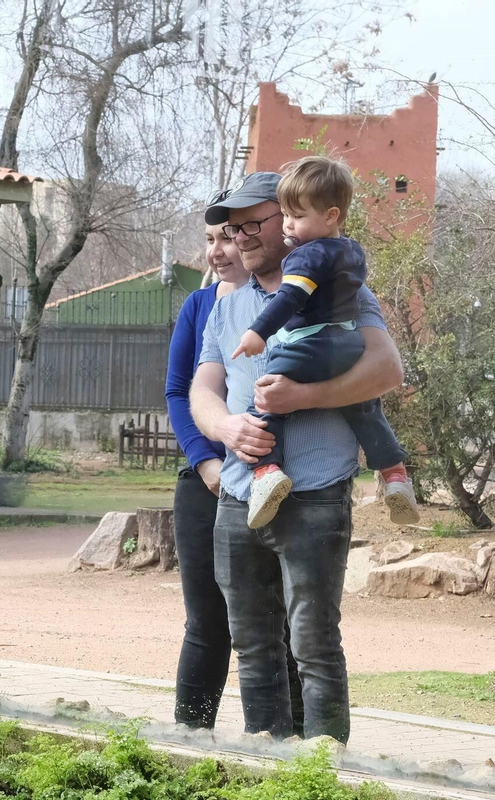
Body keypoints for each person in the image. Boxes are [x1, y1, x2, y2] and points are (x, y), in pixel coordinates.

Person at [190, 171, 406, 743]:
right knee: (253, 647)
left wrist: (302, 397)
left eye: (251, 225)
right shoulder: (228, 307)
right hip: (239, 495)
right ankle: (268, 767)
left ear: (288, 222)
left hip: (314, 495)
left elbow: (387, 370)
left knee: (314, 645)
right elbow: (202, 389)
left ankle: (324, 777)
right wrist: (227, 428)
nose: (240, 238)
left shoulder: (341, 292)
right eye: (232, 229)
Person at [229, 156, 418, 530]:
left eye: (296, 216)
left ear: (331, 216)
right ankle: (395, 474)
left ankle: (266, 472)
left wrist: (258, 332)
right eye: (285, 215)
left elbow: (289, 298)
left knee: (265, 398)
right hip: (347, 344)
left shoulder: (307, 255)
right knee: (363, 405)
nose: (288, 224)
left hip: (308, 345)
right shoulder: (351, 250)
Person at [165, 219, 301, 729]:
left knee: (282, 628)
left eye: (227, 236)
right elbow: (180, 390)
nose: (219, 250)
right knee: (207, 625)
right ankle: (191, 738)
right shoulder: (201, 305)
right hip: (209, 483)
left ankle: (292, 748)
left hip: (274, 485)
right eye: (210, 240)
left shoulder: (298, 299)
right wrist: (207, 462)